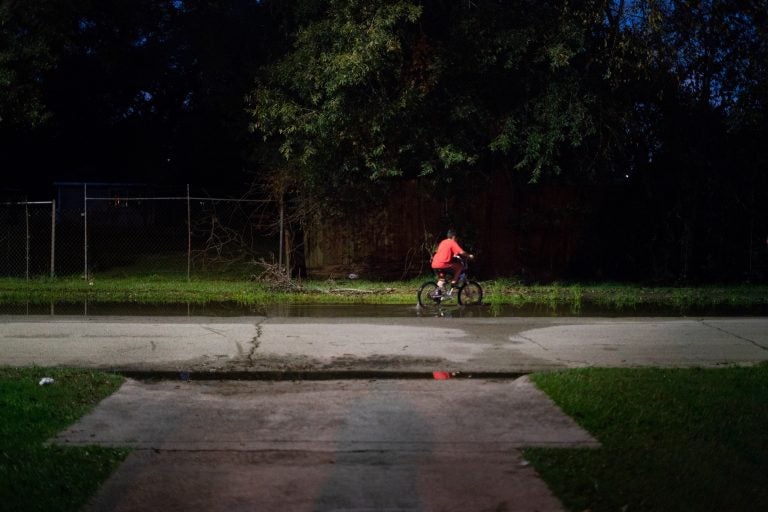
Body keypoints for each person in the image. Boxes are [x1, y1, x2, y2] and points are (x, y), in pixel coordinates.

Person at [431, 229, 473, 294]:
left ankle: (436, 294)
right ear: (454, 237)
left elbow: (446, 253)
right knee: (459, 267)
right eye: (457, 238)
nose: (457, 240)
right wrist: (469, 256)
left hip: (434, 264)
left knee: (442, 279)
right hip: (443, 264)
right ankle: (453, 282)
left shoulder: (443, 242)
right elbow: (461, 252)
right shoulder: (452, 242)